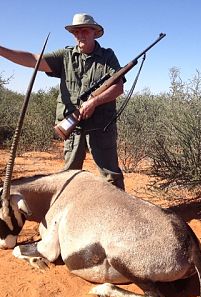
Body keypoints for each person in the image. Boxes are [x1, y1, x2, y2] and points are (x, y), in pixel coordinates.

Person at [0, 13, 125, 189]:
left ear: (94, 32)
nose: (80, 34)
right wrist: (1, 50)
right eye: (76, 31)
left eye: (85, 31)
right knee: (69, 176)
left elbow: (118, 88)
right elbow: (34, 60)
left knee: (111, 178)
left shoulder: (108, 57)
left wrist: (94, 102)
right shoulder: (64, 56)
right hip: (73, 128)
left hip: (101, 127)